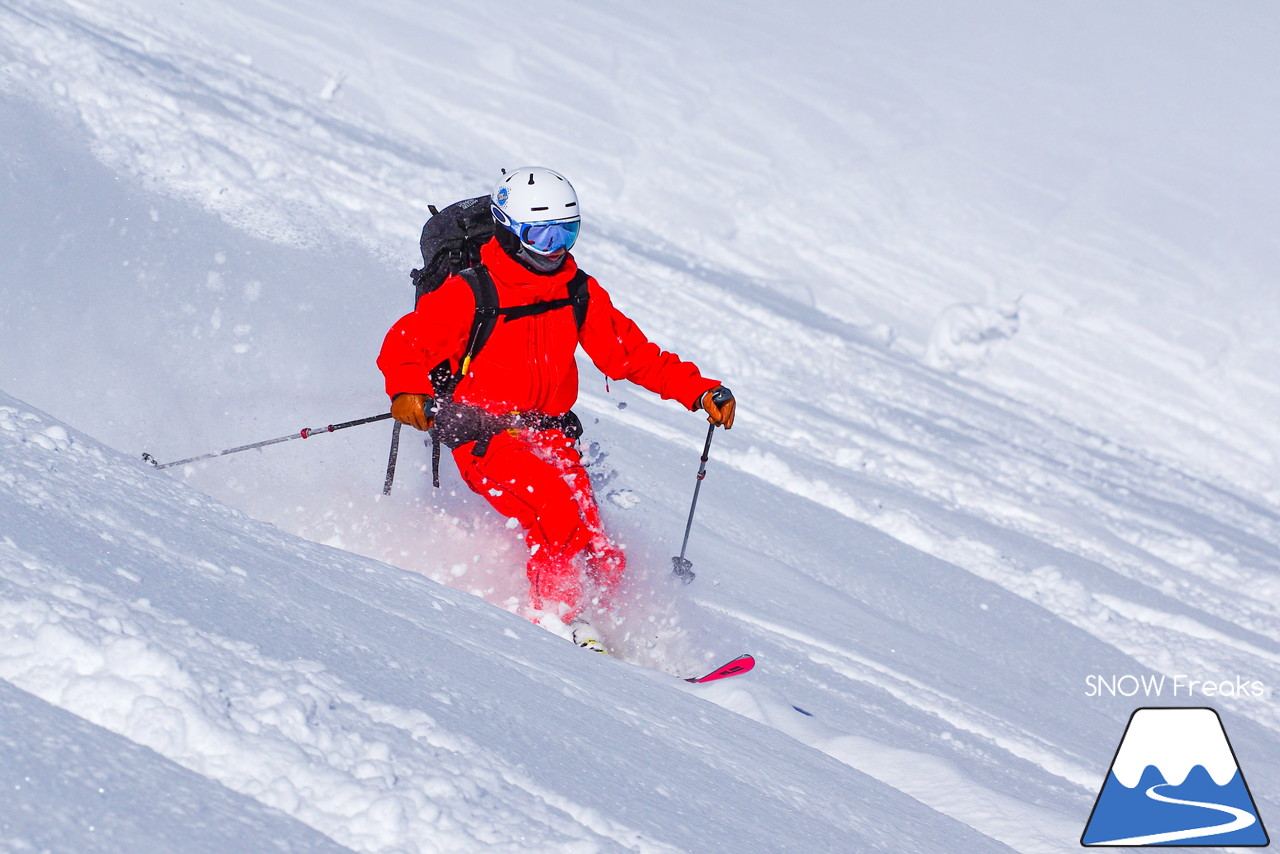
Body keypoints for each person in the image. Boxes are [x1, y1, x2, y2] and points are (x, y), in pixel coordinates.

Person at [377, 167, 735, 651]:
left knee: (596, 540)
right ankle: (554, 621)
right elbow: (406, 342)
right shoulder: (472, 291)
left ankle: (613, 626)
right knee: (554, 510)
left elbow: (631, 355)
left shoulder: (576, 290)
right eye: (542, 234)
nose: (556, 247)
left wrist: (698, 390)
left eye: (567, 232)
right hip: (486, 435)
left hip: (549, 433)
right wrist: (407, 391)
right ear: (508, 229)